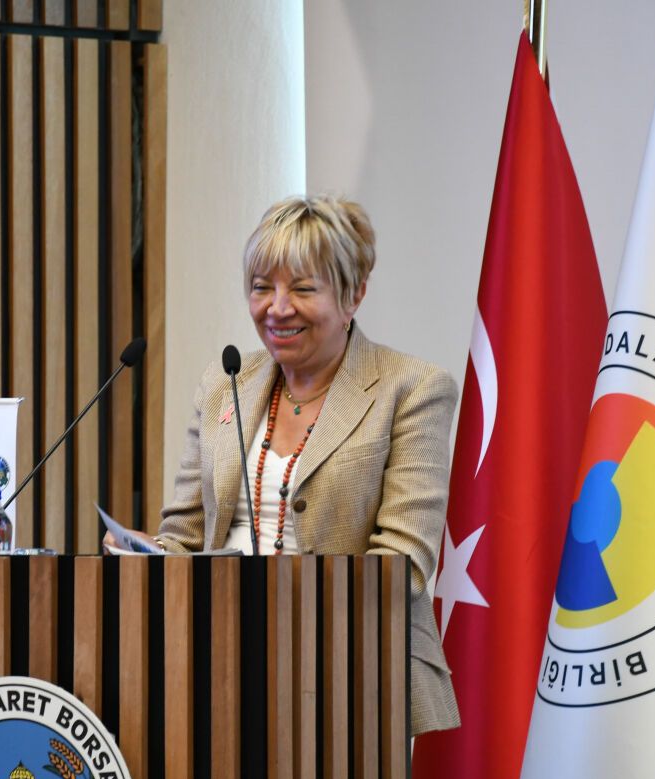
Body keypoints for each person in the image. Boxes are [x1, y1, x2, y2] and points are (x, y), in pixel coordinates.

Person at [111, 194, 459, 736]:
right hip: (216, 665)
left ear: (354, 294)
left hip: (354, 677)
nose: (277, 308)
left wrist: (282, 619)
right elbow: (184, 536)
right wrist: (149, 554)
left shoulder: (411, 389)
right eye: (261, 287)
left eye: (302, 288)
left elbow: (403, 564)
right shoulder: (225, 384)